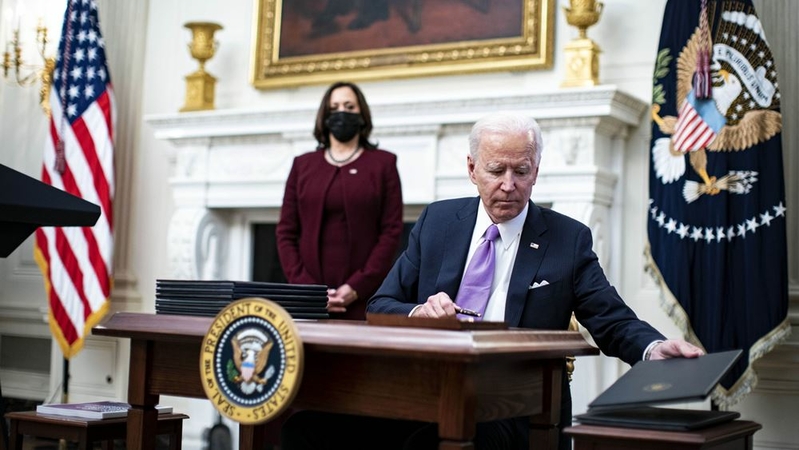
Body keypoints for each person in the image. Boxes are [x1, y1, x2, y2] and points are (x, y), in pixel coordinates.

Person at [280, 112, 703, 450]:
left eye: (521, 170)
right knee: (308, 429)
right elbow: (380, 304)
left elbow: (610, 319)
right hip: (425, 389)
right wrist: (419, 312)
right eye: (496, 169)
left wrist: (652, 347)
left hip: (515, 407)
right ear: (472, 169)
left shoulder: (566, 239)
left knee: (443, 440)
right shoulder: (438, 222)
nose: (508, 185)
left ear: (536, 170)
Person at [276, 81, 403, 320]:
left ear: (362, 115)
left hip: (364, 299)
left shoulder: (384, 164)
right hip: (308, 300)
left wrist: (356, 287)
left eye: (349, 106)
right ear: (324, 116)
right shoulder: (302, 165)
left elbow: (391, 232)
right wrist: (309, 290)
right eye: (334, 108)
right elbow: (286, 232)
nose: (341, 113)